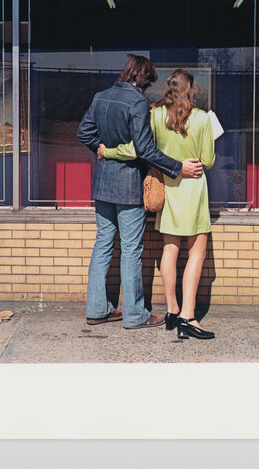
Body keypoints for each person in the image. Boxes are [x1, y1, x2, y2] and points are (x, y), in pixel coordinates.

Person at [77, 55, 204, 329]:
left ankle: (96, 310)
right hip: (128, 187)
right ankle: (135, 315)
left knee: (102, 245)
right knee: (132, 249)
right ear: (142, 78)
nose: (147, 89)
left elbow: (83, 132)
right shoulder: (136, 102)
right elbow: (145, 149)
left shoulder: (101, 97)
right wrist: (178, 167)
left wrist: (102, 150)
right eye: (148, 83)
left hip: (102, 186)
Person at [100, 69, 216, 340]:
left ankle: (172, 311)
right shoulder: (201, 118)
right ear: (191, 90)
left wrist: (109, 151)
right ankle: (188, 316)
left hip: (169, 190)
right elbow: (207, 161)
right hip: (194, 191)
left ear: (168, 88)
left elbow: (135, 148)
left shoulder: (156, 115)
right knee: (196, 254)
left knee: (169, 250)